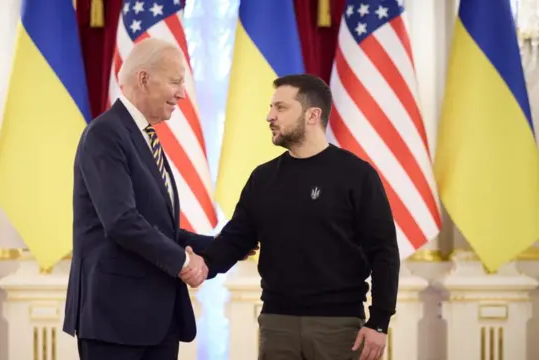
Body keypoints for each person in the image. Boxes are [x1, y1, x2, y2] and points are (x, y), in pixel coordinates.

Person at [189, 74, 401, 360]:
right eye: (271, 107)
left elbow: (384, 252)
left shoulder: (357, 175)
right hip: (276, 323)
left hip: (338, 327)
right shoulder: (263, 178)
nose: (269, 116)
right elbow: (235, 239)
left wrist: (379, 321)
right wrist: (200, 265)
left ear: (313, 115)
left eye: (280, 107)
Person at [63, 38, 219, 360]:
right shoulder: (105, 133)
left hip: (156, 321)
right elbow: (121, 221)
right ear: (144, 78)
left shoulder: (143, 137)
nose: (182, 93)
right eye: (175, 82)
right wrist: (185, 262)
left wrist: (226, 245)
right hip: (115, 320)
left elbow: (157, 226)